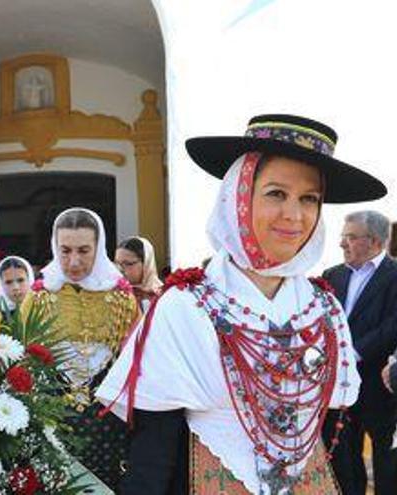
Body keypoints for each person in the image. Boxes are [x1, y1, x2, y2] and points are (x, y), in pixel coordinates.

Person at [97, 114, 387, 494]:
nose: (294, 215)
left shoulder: (323, 310)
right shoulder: (185, 306)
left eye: (309, 199)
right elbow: (154, 451)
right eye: (276, 194)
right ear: (238, 197)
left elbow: (337, 437)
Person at [34, 207, 139, 489]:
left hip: (108, 427)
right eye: (65, 250)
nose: (74, 261)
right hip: (53, 421)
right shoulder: (39, 297)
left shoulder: (122, 298)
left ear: (99, 247)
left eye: (84, 250)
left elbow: (136, 362)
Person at [323, 210, 397, 495]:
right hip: (340, 389)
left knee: (387, 465)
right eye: (343, 237)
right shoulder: (333, 276)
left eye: (351, 237)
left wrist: (352, 352)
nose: (343, 244)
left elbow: (393, 324)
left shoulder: (394, 275)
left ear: (375, 242)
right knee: (344, 462)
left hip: (383, 388)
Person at [115, 236, 164, 313]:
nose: (120, 269)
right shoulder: (113, 295)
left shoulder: (162, 296)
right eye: (117, 263)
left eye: (128, 264)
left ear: (146, 263)